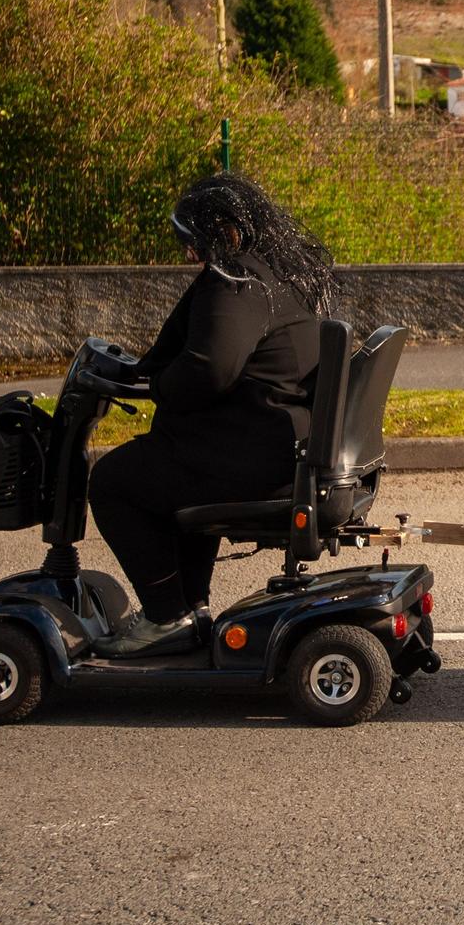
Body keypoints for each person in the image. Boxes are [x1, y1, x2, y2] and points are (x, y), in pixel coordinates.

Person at [91, 173, 340, 657]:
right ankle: (192, 610)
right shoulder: (278, 273)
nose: (189, 254)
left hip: (250, 455)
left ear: (225, 232)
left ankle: (167, 615)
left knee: (112, 482)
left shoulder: (236, 282)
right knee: (162, 475)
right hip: (273, 442)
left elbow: (209, 370)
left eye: (193, 241)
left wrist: (155, 384)